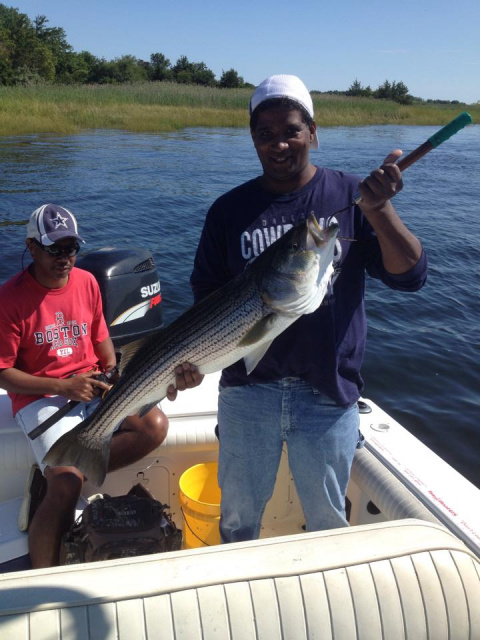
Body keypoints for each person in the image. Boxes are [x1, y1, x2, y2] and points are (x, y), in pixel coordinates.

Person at [190, 74, 427, 543]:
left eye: (291, 130)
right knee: (237, 522)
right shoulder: (227, 210)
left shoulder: (353, 196)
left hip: (328, 392)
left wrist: (380, 211)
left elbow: (410, 277)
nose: (279, 143)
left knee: (328, 526)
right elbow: (206, 303)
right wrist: (189, 363)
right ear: (253, 139)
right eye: (266, 133)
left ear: (313, 132)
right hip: (246, 393)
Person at [0, 203, 201, 568]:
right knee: (66, 482)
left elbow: (101, 337)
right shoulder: (10, 298)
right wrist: (63, 387)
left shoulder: (88, 281)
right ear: (31, 247)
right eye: (54, 249)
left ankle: (71, 471)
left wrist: (112, 370)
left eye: (71, 248)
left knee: (154, 426)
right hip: (41, 396)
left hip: (93, 385)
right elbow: (3, 372)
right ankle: (43, 576)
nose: (65, 258)